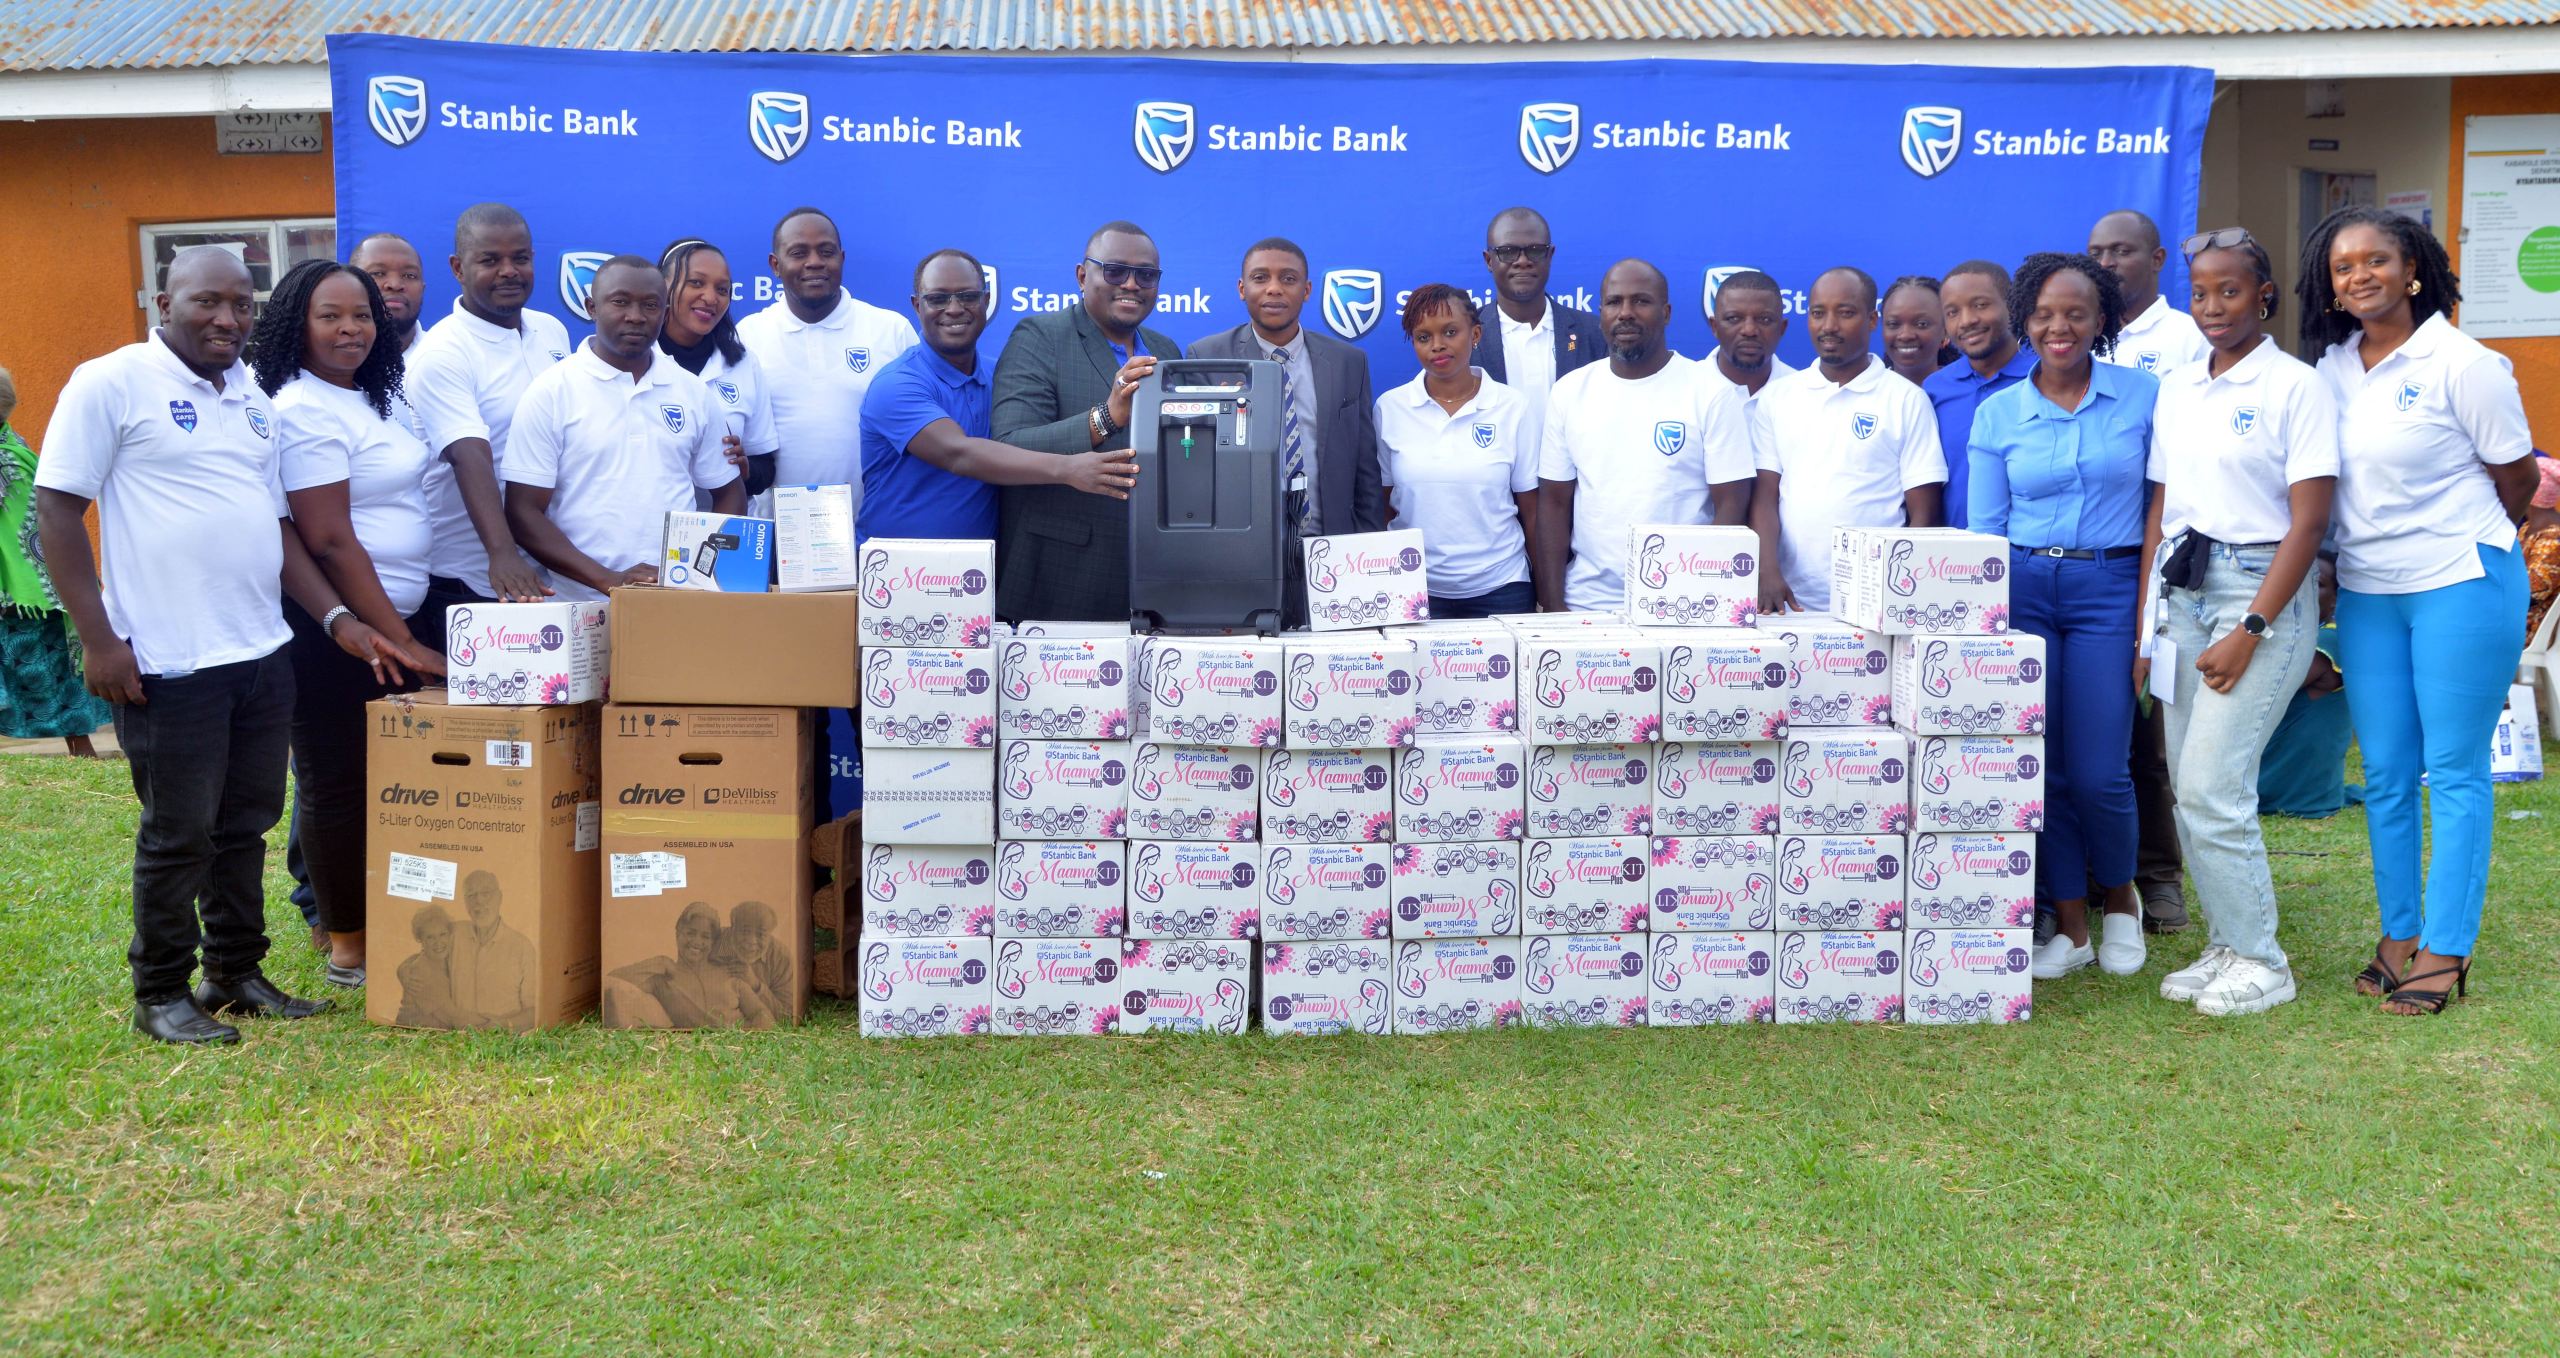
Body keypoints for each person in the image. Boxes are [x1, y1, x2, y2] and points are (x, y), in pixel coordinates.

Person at [34, 247, 422, 1044]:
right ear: (163, 302)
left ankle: (235, 971)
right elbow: (56, 512)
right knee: (180, 831)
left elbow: (276, 528)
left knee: (247, 823)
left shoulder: (249, 395)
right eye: (207, 301)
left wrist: (335, 621)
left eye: (241, 304)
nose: (226, 318)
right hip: (168, 657)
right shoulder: (110, 382)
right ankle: (161, 992)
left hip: (258, 649)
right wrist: (99, 639)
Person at [2301, 205, 2540, 1016]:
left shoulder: (2463, 362)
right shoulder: (2329, 371)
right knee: (2390, 773)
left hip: (2460, 582)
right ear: (2329, 285)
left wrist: (2465, 545)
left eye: (2376, 261)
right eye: (2343, 266)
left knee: (2456, 771)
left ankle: (2445, 948)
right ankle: (2398, 934)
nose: (2359, 275)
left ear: (2414, 271)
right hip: (2370, 593)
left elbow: (2516, 482)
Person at [2134, 227, 2337, 1017]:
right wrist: (2149, 623)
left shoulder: (2296, 387)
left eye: (2230, 290)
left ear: (2265, 296)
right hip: (2181, 591)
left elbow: (2309, 524)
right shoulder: (2180, 386)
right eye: (2201, 293)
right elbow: (2162, 509)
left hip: (2259, 596)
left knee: (2216, 787)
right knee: (2189, 790)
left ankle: (2263, 961)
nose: (2213, 306)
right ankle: (2227, 942)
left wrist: (2250, 628)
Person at [250, 258, 448, 989]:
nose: (350, 329)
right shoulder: (302, 409)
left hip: (394, 612)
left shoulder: (368, 397)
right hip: (336, 631)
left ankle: (390, 918)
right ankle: (349, 946)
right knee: (336, 781)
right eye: (330, 316)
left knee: (386, 781)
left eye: (361, 315)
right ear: (295, 325)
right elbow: (327, 537)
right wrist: (394, 636)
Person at [1968, 252, 2157, 982]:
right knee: (2040, 768)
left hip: (2109, 588)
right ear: (2026, 319)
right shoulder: (1999, 413)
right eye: (2044, 314)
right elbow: (1986, 533)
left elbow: (2160, 511)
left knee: (2101, 770)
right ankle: (2071, 928)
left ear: (2101, 319)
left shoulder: (2144, 398)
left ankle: (2122, 905)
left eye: (2076, 313)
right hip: (2022, 592)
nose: (2059, 327)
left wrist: (2147, 617)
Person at [2091, 207, 2208, 938]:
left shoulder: (2188, 338)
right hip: (2096, 552)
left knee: (2152, 732)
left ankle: (2159, 877)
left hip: (2169, 556)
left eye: (2123, 251)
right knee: (2101, 733)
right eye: (2097, 251)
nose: (2108, 263)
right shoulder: (2075, 333)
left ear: (2158, 258)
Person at [506, 256, 746, 599]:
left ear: (664, 313)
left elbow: (729, 490)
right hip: (580, 603)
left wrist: (696, 571)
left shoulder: (693, 392)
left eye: (650, 305)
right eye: (620, 302)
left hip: (675, 600)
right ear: (591, 307)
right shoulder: (552, 391)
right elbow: (522, 512)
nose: (635, 316)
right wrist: (608, 579)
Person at [859, 248, 1138, 542]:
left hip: (979, 574)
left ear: (987, 301)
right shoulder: (896, 384)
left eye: (967, 296)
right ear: (917, 306)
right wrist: (1068, 468)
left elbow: (1036, 440)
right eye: (938, 299)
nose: (954, 308)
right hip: (897, 572)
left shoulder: (1003, 375)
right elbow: (958, 454)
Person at [1533, 259, 1754, 614]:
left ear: (1666, 312)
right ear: (1600, 311)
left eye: (1641, 301)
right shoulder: (1570, 391)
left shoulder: (1710, 391)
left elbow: (1731, 505)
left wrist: (1703, 597)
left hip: (1684, 604)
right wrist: (1555, 605)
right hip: (1588, 604)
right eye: (1613, 302)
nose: (1625, 313)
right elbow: (1555, 504)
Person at [990, 221, 1182, 622]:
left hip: (1155, 574)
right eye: (1114, 271)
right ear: (1082, 275)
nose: (1131, 283)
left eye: (1146, 275)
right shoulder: (1040, 336)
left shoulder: (1166, 350)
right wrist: (1106, 418)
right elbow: (1008, 445)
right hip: (1062, 576)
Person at [404, 203, 566, 632]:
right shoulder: (442, 353)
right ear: (458, 268)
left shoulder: (552, 331)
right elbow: (469, 455)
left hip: (549, 572)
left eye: (521, 258)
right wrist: (502, 552)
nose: (509, 271)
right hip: (474, 581)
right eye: (490, 260)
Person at [1749, 267, 1946, 615]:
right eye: (1818, 313)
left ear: (1872, 320)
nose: (1829, 326)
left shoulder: (1905, 399)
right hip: (1792, 599)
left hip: (1875, 601)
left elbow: (1923, 512)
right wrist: (1767, 570)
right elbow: (1765, 496)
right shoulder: (1779, 397)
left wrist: (1895, 588)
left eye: (1846, 313)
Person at [1189, 237, 1386, 534]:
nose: (1274, 288)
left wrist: (1369, 542)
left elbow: (1366, 470)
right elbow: (1196, 467)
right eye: (1260, 278)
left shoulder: (1348, 361)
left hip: (1330, 547)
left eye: (1289, 279)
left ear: (1306, 291)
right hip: (1244, 545)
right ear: (1242, 289)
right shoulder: (1206, 358)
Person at [1374, 283, 1544, 617]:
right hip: (1414, 589)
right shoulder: (1390, 408)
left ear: (1476, 333)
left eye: (1450, 332)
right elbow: (1381, 506)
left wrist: (1547, 592)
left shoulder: (1513, 407)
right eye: (1423, 337)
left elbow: (1532, 509)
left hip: (1502, 588)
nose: (1437, 345)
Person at [734, 206, 918, 510]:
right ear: (775, 265)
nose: (815, 263)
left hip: (874, 532)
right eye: (799, 253)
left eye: (826, 251)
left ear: (842, 259)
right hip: (778, 536)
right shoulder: (749, 335)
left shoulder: (891, 330)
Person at [0, 365, 113, 755]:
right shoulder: (16, 447)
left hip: (27, 593)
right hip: (37, 588)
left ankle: (82, 750)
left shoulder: (8, 458)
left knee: (53, 674)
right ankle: (80, 749)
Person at [658, 238, 780, 499]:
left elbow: (764, 466)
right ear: (663, 284)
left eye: (722, 289)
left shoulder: (743, 362)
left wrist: (745, 470)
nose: (711, 298)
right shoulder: (637, 359)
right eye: (696, 283)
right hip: (645, 531)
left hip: (724, 532)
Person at [1468, 207, 1605, 437]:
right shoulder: (1465, 337)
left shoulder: (1594, 333)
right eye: (1508, 251)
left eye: (1535, 251)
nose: (1522, 261)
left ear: (1550, 256)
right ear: (1488, 260)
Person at [1921, 260, 2034, 532]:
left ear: (2012, 305)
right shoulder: (1935, 389)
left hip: (2030, 558)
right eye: (1952, 312)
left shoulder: (2043, 376)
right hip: (1952, 559)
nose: (1967, 320)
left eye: (1980, 305)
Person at [2256, 556, 2352, 820]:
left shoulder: (2330, 640)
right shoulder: (2291, 637)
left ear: (2335, 598)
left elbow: (2261, 685)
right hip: (2280, 787)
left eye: (2317, 584)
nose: (2303, 591)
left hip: (2292, 794)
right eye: (2295, 581)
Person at [450, 870, 535, 1029]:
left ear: (499, 898)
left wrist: (505, 1025)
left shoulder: (522, 946)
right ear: (465, 903)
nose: (479, 901)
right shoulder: (454, 934)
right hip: (457, 1035)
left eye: (486, 893)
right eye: (471, 895)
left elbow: (536, 1010)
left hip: (504, 1040)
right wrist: (405, 970)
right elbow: (422, 956)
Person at [1705, 270, 1795, 410]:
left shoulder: (1805, 395)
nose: (1749, 330)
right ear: (1714, 326)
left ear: (1782, 329)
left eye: (1764, 319)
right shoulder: (1684, 389)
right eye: (1734, 318)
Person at [349, 232, 428, 354]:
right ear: (349, 284)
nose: (395, 285)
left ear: (423, 289)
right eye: (378, 273)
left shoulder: (446, 357)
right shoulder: (325, 363)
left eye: (409, 275)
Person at [394, 903, 470, 1029]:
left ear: (450, 934)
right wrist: (492, 1021)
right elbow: (452, 1018)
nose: (438, 942)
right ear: (421, 940)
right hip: (415, 1032)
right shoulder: (421, 972)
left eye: (443, 934)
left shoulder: (448, 959)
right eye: (430, 937)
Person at [1880, 275, 1954, 387]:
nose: (1905, 335)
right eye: (1893, 324)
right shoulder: (1864, 397)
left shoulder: (1969, 396)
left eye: (1921, 324)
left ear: (1946, 331)